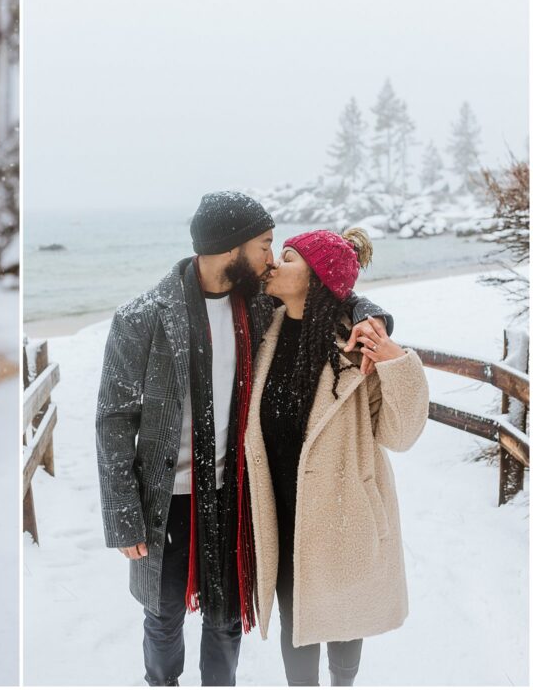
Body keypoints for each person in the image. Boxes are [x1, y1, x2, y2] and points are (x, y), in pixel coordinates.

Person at [95, 191, 394, 687]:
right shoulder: (142, 317)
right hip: (166, 500)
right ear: (229, 247)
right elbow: (113, 420)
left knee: (227, 618)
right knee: (164, 616)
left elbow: (327, 293)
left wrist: (373, 313)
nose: (271, 258)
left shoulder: (257, 307)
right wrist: (122, 516)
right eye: (264, 244)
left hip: (236, 494)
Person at [245, 228, 429, 686]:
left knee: (344, 618)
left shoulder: (354, 347)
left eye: (286, 258)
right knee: (295, 618)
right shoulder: (261, 328)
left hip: (344, 511)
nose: (273, 264)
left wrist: (395, 360)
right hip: (281, 509)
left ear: (315, 277)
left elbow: (400, 435)